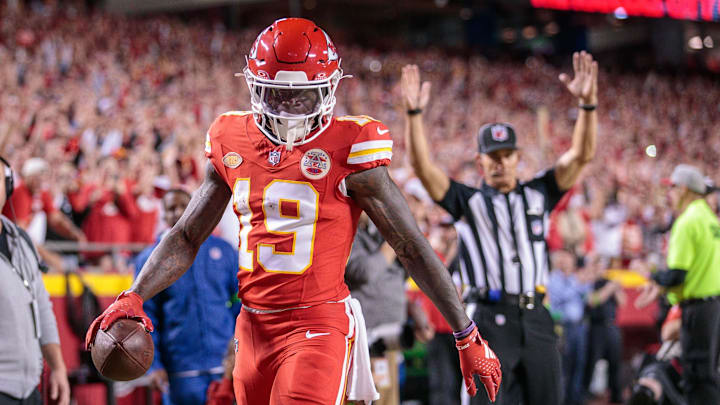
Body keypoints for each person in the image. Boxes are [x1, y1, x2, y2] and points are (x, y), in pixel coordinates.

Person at [86, 18, 501, 405]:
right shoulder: (232, 138)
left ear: (329, 88)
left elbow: (410, 244)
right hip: (251, 328)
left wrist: (466, 334)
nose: (286, 108)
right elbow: (185, 235)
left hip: (317, 325)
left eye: (300, 96)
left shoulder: (351, 145)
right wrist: (134, 294)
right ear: (252, 85)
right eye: (275, 94)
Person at [400, 50, 598, 405]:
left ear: (518, 157)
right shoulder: (469, 201)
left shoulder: (539, 193)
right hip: (487, 318)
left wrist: (587, 107)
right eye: (493, 156)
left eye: (507, 154)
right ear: (480, 161)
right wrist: (414, 115)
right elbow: (423, 167)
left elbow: (581, 155)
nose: (501, 162)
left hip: (536, 315)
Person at [134, 189, 240, 405]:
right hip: (179, 371)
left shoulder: (224, 250)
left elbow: (239, 302)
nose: (178, 212)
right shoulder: (150, 259)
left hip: (225, 365)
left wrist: (239, 344)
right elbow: (145, 318)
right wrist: (154, 367)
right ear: (163, 215)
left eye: (183, 206)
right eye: (171, 208)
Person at [635, 164, 720, 405]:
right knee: (709, 376)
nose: (668, 193)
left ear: (684, 189)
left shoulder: (688, 221)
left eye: (671, 187)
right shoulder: (710, 219)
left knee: (697, 379)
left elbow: (677, 276)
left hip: (697, 310)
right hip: (713, 307)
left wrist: (653, 277)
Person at [0, 157, 70, 405]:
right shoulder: (20, 207)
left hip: (30, 387)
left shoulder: (21, 242)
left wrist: (58, 367)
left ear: (7, 185)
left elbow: (41, 306)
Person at [344, 214, 435, 405]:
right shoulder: (349, 233)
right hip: (365, 339)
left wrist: (417, 314)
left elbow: (402, 279)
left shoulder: (378, 233)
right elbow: (364, 272)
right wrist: (392, 243)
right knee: (364, 399)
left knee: (388, 400)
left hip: (393, 338)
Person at [547, 249, 591, 405]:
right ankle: (561, 400)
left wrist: (584, 284)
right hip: (562, 328)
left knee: (579, 364)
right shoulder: (553, 279)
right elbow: (556, 301)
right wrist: (578, 286)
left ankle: (576, 399)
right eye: (563, 258)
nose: (566, 262)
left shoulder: (576, 278)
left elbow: (588, 298)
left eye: (569, 259)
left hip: (580, 327)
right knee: (563, 367)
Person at [583, 255, 626, 404]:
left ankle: (616, 396)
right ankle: (584, 395)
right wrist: (610, 288)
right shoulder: (589, 282)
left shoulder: (609, 282)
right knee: (591, 362)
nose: (600, 268)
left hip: (611, 326)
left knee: (615, 363)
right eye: (597, 265)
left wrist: (616, 288)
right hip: (596, 327)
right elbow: (593, 301)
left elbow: (623, 302)